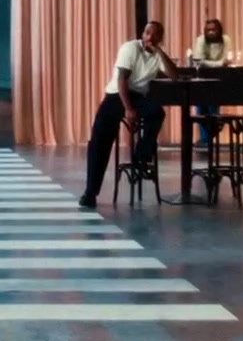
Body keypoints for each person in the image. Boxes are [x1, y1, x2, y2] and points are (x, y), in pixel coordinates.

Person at [80, 20, 176, 208]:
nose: (150, 37)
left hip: (138, 96)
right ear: (142, 33)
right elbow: (122, 79)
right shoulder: (130, 48)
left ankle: (141, 156)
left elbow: (174, 75)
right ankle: (90, 192)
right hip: (117, 94)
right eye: (147, 32)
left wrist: (159, 51)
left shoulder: (158, 55)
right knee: (99, 139)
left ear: (160, 38)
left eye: (155, 34)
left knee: (157, 112)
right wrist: (129, 109)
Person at [188, 17, 232, 143]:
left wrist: (214, 63)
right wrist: (218, 63)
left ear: (220, 30)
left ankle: (207, 139)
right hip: (202, 78)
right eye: (208, 30)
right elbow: (199, 60)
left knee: (213, 109)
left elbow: (225, 60)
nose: (211, 32)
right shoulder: (201, 40)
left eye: (214, 29)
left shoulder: (225, 40)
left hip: (219, 79)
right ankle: (205, 140)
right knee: (201, 109)